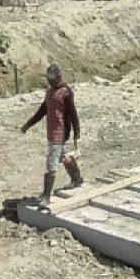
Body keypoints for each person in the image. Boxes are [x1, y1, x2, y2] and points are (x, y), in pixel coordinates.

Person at [20, 63, 83, 207]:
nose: (53, 82)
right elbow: (42, 111)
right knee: (62, 157)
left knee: (51, 164)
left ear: (58, 77)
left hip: (59, 133)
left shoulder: (66, 92)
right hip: (51, 132)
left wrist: (76, 133)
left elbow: (73, 114)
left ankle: (46, 196)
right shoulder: (49, 93)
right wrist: (28, 124)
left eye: (54, 79)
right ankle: (77, 178)